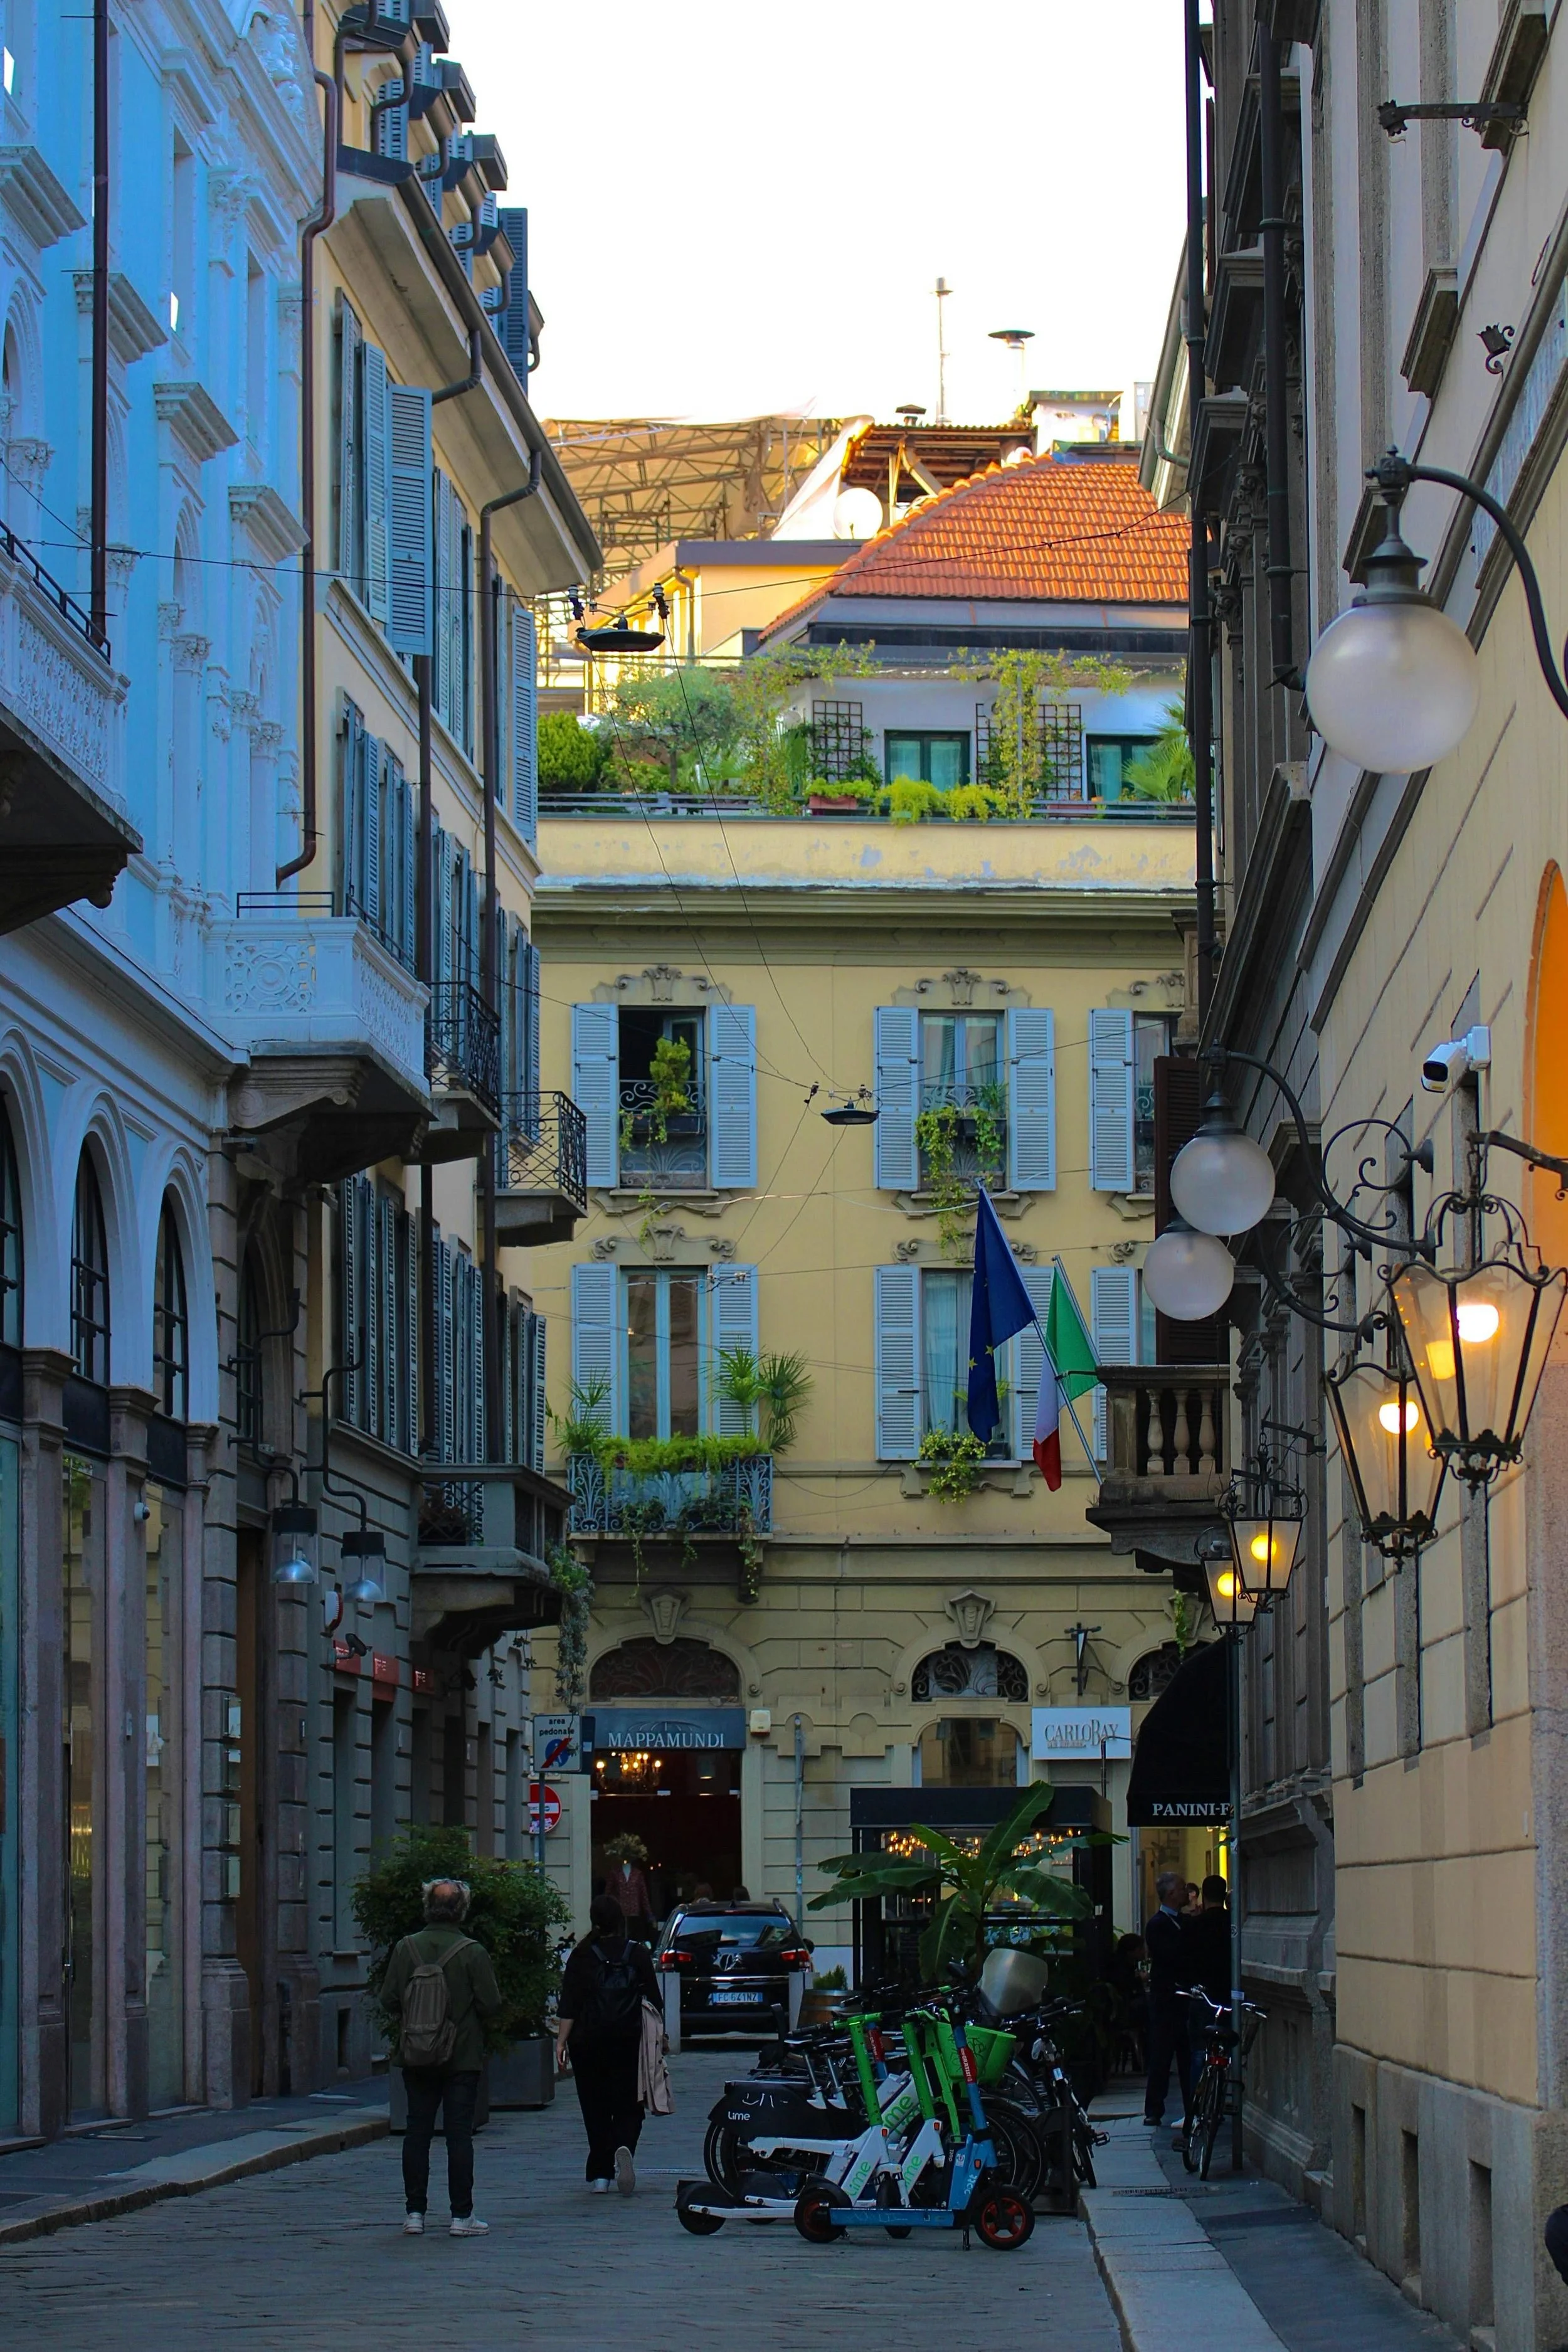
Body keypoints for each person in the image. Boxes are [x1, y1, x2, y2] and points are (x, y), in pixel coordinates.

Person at [382, 1877, 502, 2237]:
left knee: (417, 2132)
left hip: (417, 2054)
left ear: (427, 1907)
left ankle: (415, 2214)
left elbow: (388, 1999)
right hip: (461, 2056)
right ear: (461, 1910)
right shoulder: (472, 1951)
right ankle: (460, 2215)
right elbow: (492, 2005)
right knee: (458, 2135)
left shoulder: (407, 1949)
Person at [557, 1894, 660, 2193]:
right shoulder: (637, 1954)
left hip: (587, 2042)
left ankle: (600, 2176)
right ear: (620, 1921)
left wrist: (561, 2042)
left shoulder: (582, 1955)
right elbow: (655, 2002)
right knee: (630, 2103)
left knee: (594, 2107)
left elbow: (570, 2004)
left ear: (594, 1922)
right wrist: (660, 2039)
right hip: (629, 2041)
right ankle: (624, 2146)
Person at [1143, 1870, 1194, 2141]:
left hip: (1182, 1998)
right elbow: (1171, 1957)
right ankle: (1154, 2107)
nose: (1187, 1893)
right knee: (1162, 2055)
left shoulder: (1181, 1922)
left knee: (1186, 2056)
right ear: (1172, 1894)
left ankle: (1190, 2105)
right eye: (1183, 1889)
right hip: (1166, 2000)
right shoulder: (1159, 1924)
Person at [1187, 1874, 1231, 2008]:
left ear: (1204, 1896)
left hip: (1203, 1992)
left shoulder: (1194, 1924)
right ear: (1224, 1897)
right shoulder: (1233, 1922)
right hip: (1228, 1986)